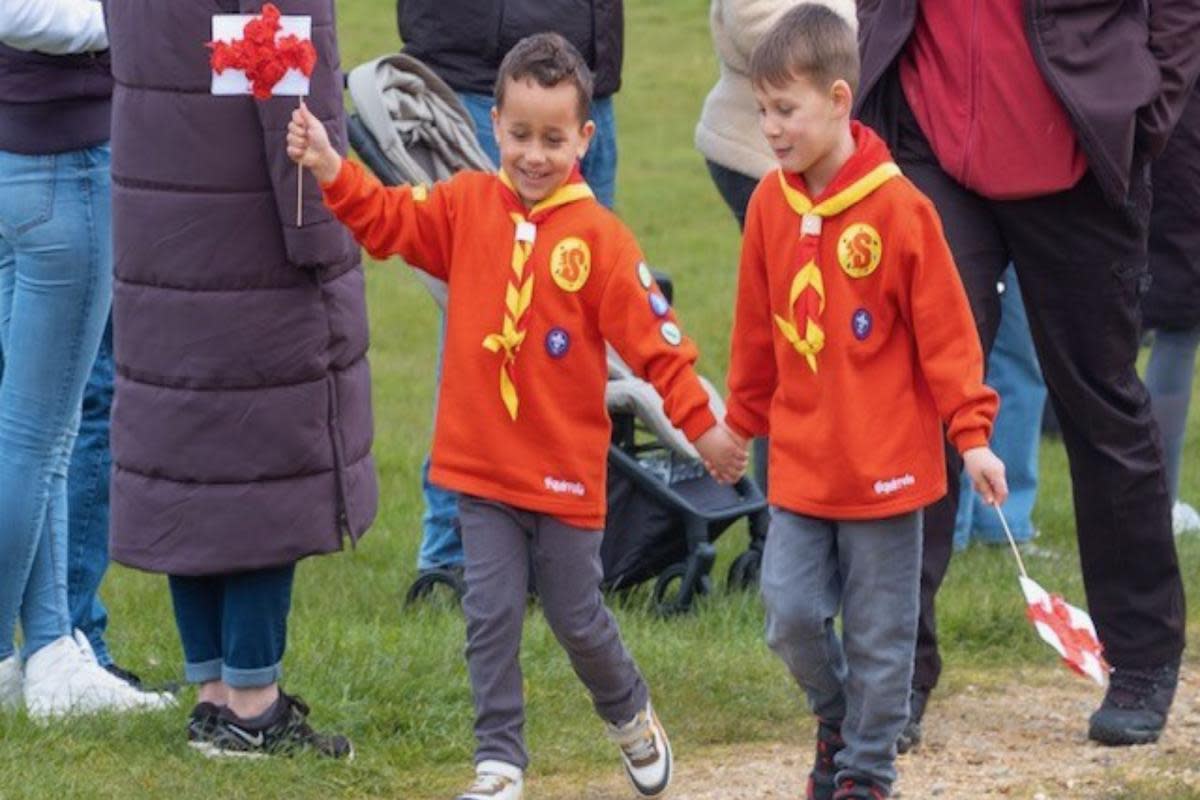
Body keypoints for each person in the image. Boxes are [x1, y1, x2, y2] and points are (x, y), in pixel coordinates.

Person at [289, 32, 745, 799]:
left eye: (555, 139)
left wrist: (703, 429)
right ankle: (499, 765)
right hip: (481, 471)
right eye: (522, 134)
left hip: (566, 477)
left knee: (576, 616)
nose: (536, 155)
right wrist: (334, 169)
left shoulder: (601, 240)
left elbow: (659, 347)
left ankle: (630, 714)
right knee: (490, 616)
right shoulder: (465, 204)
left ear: (583, 139)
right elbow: (391, 221)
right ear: (493, 125)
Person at [856, 0, 1198, 747]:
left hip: (1080, 148)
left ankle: (1141, 658)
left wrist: (1149, 108)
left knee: (1099, 401)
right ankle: (893, 672)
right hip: (931, 147)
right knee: (920, 400)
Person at [724, 7, 1005, 798]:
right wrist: (738, 428)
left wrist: (973, 434)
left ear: (840, 100)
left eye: (787, 110)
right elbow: (756, 336)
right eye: (763, 112)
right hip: (802, 467)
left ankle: (866, 772)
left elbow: (951, 338)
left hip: (887, 472)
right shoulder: (770, 209)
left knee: (885, 639)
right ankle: (839, 717)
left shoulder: (902, 210)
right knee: (787, 614)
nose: (772, 129)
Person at [103, 0, 377, 757]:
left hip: (158, 221)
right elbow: (289, 91)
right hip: (249, 229)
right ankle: (254, 706)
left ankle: (214, 695)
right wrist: (325, 232)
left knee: (189, 459)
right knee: (261, 467)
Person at [395, 0, 625, 577]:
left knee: (582, 333)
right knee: (485, 326)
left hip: (588, 79)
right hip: (482, 77)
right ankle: (453, 553)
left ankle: (560, 539)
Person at [0, 0, 171, 718]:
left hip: (32, 158)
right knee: (37, 438)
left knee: (44, 430)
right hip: (60, 163)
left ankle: (49, 651)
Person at [694, 0, 855, 494]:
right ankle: (783, 503)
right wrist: (844, 26)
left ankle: (814, 490)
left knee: (819, 330)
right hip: (758, 160)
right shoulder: (775, 128)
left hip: (814, 155)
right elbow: (756, 23)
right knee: (795, 333)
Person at [952, 267, 1045, 552]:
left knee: (1021, 355)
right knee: (954, 350)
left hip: (1032, 227)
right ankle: (949, 524)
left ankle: (1005, 520)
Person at [1143, 81, 1200, 536]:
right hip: (1178, 161)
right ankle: (1157, 498)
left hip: (1164, 152)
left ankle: (1156, 497)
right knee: (1178, 330)